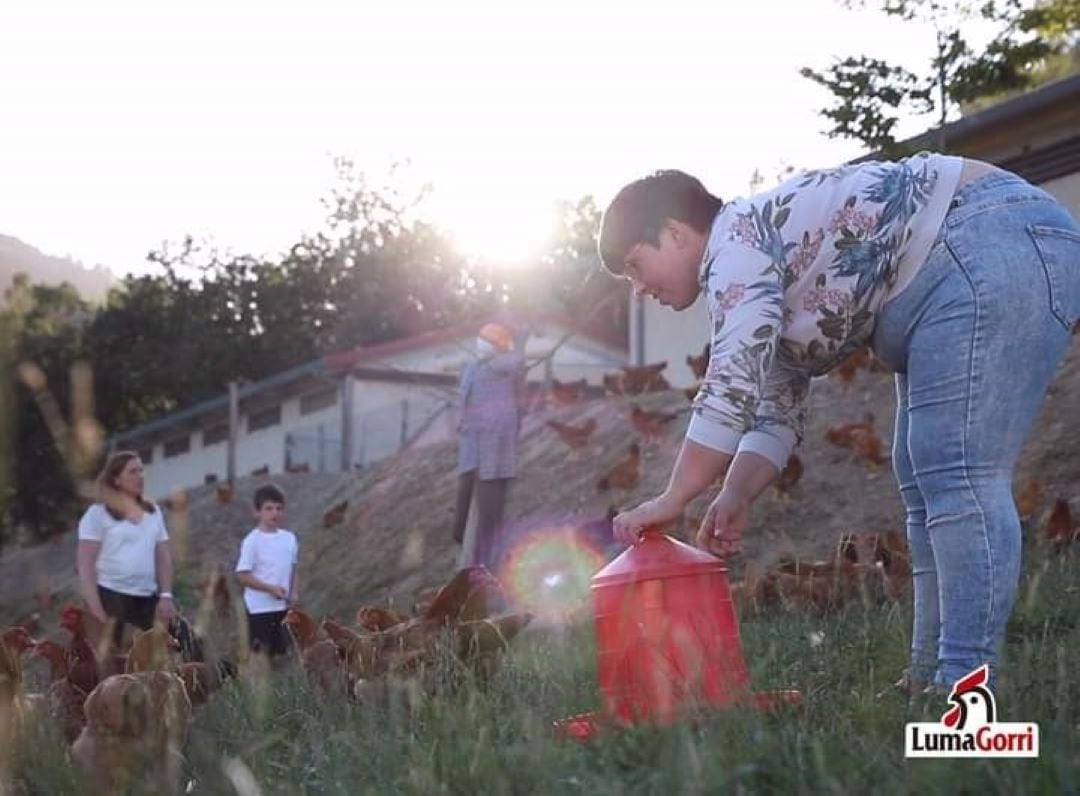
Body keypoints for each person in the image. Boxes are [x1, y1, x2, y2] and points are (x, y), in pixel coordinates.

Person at [600, 154, 1080, 696]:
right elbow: (774, 408)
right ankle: (931, 674)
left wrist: (673, 497)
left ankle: (965, 683)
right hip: (963, 264)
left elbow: (730, 381)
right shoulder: (756, 272)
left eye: (636, 266)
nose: (638, 289)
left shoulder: (734, 245)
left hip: (991, 238)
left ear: (675, 233)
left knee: (956, 471)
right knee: (925, 478)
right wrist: (734, 494)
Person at [76, 451, 176, 646]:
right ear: (116, 480)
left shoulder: (152, 512)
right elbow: (85, 566)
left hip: (147, 595)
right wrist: (96, 609)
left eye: (141, 470)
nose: (140, 476)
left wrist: (166, 595)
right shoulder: (97, 514)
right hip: (111, 597)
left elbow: (162, 556)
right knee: (118, 661)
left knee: (177, 646)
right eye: (132, 471)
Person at [452, 321, 527, 571]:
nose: (480, 343)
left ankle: (484, 564)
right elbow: (463, 404)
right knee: (464, 505)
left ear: (497, 345)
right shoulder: (473, 368)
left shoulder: (507, 367)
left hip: (495, 451)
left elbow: (518, 403)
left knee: (489, 512)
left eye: (486, 339)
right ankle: (464, 548)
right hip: (472, 448)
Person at [235, 484, 298, 661]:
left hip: (284, 608)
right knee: (261, 659)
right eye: (269, 509)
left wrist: (293, 593)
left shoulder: (289, 539)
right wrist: (270, 589)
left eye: (278, 508)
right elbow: (242, 575)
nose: (274, 513)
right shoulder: (252, 541)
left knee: (285, 656)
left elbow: (293, 568)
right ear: (257, 512)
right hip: (259, 609)